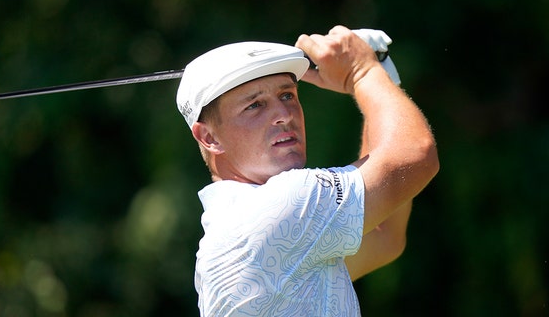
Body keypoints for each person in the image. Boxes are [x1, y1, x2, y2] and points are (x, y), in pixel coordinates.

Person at [175, 25, 439, 316]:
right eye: (255, 105)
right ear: (209, 137)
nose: (284, 115)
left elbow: (384, 235)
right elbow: (415, 155)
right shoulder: (282, 203)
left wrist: (375, 75)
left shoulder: (247, 229)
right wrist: (362, 73)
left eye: (287, 96)